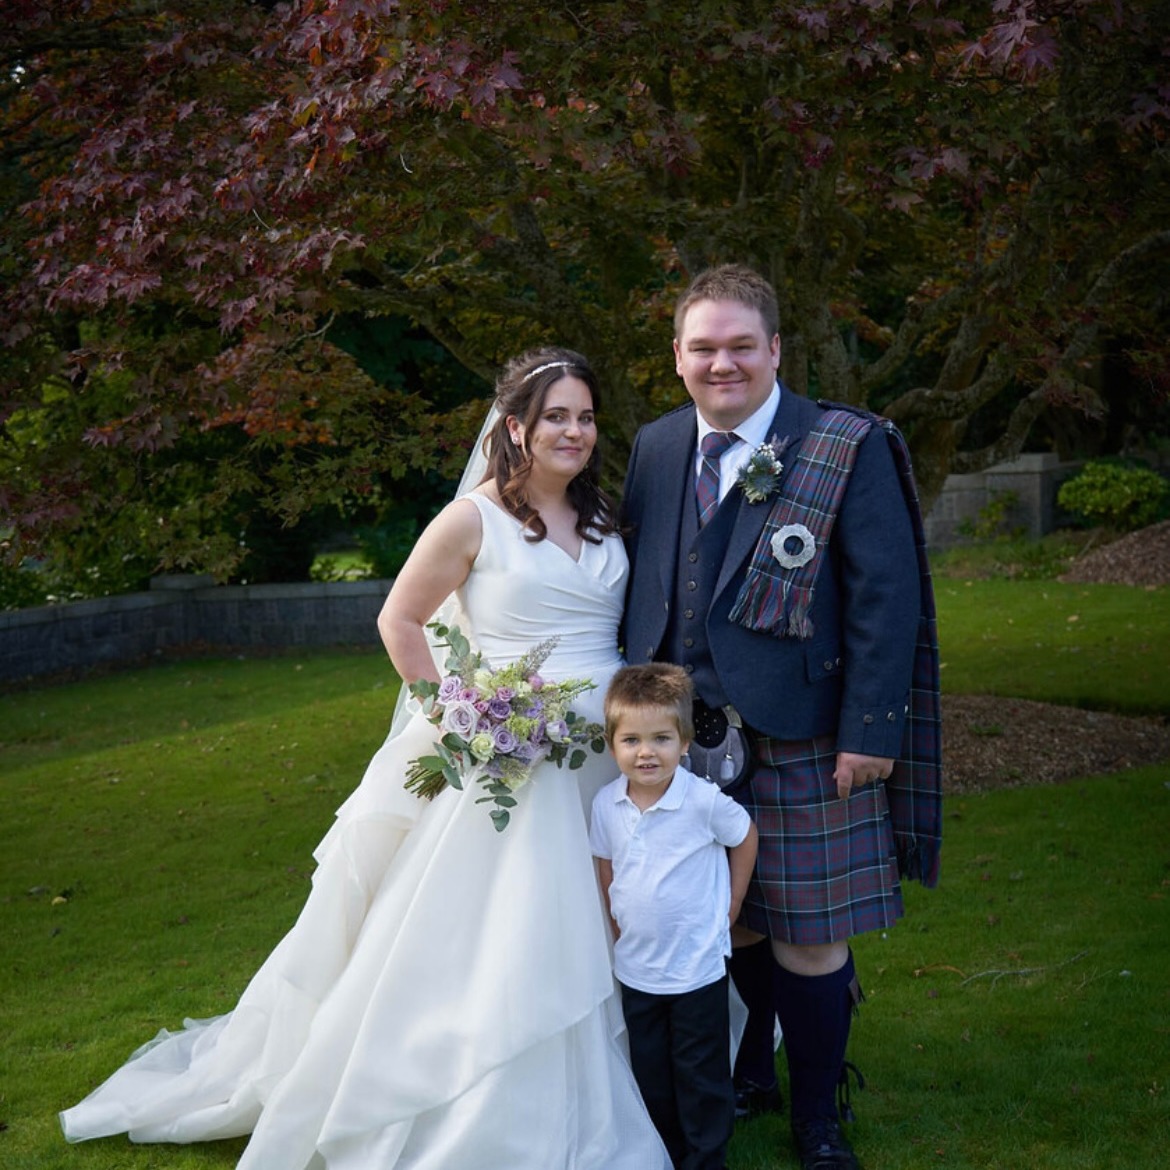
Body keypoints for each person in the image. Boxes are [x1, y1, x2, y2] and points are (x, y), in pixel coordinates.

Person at [59, 347, 672, 1170]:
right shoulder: (471, 519)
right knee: (515, 929)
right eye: (555, 415)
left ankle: (643, 1069)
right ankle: (481, 1097)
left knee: (612, 906)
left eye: (586, 416)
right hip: (512, 759)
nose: (574, 430)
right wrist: (461, 718)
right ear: (514, 426)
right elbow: (401, 621)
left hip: (607, 753)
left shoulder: (603, 519)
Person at [621, 265, 942, 1170]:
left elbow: (886, 596)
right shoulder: (653, 445)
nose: (721, 364)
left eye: (739, 346)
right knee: (733, 918)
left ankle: (818, 1115)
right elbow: (646, 574)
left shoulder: (843, 443)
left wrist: (871, 730)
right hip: (681, 738)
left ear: (774, 351)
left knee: (808, 929)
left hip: (803, 729)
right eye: (702, 348)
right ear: (678, 356)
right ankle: (753, 1073)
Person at [590, 663, 758, 1170]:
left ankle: (707, 1157)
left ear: (685, 742)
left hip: (695, 968)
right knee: (652, 1071)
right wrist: (616, 916)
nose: (647, 752)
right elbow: (606, 862)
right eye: (632, 740)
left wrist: (732, 903)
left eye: (661, 738)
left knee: (699, 1072)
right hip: (638, 969)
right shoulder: (606, 804)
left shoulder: (702, 802)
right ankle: (665, 1152)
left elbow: (745, 836)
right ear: (613, 744)